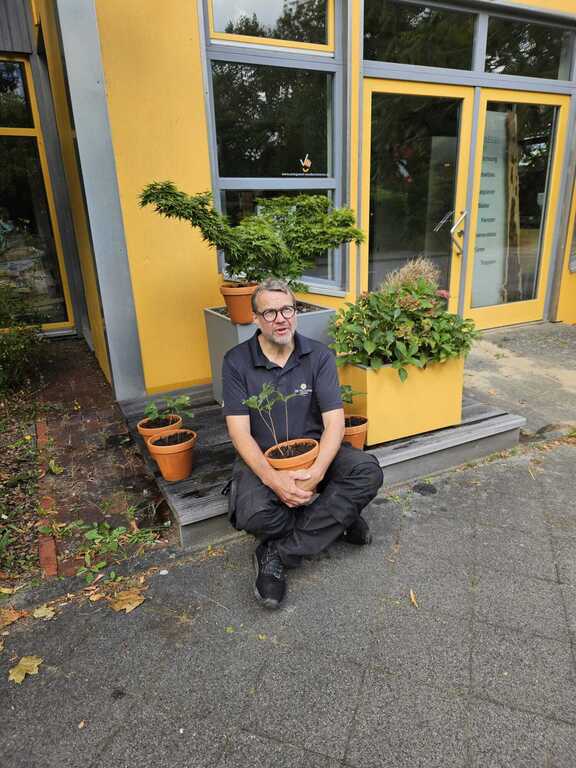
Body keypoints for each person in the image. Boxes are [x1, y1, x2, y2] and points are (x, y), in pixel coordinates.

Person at [222, 277, 384, 609]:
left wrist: (316, 472)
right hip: (266, 459)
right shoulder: (237, 362)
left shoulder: (319, 356)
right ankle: (338, 519)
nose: (280, 319)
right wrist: (274, 480)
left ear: (296, 312)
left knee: (366, 470)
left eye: (287, 309)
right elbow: (239, 434)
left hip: (315, 452)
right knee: (254, 514)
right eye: (269, 313)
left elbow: (335, 423)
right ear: (255, 319)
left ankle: (276, 553)